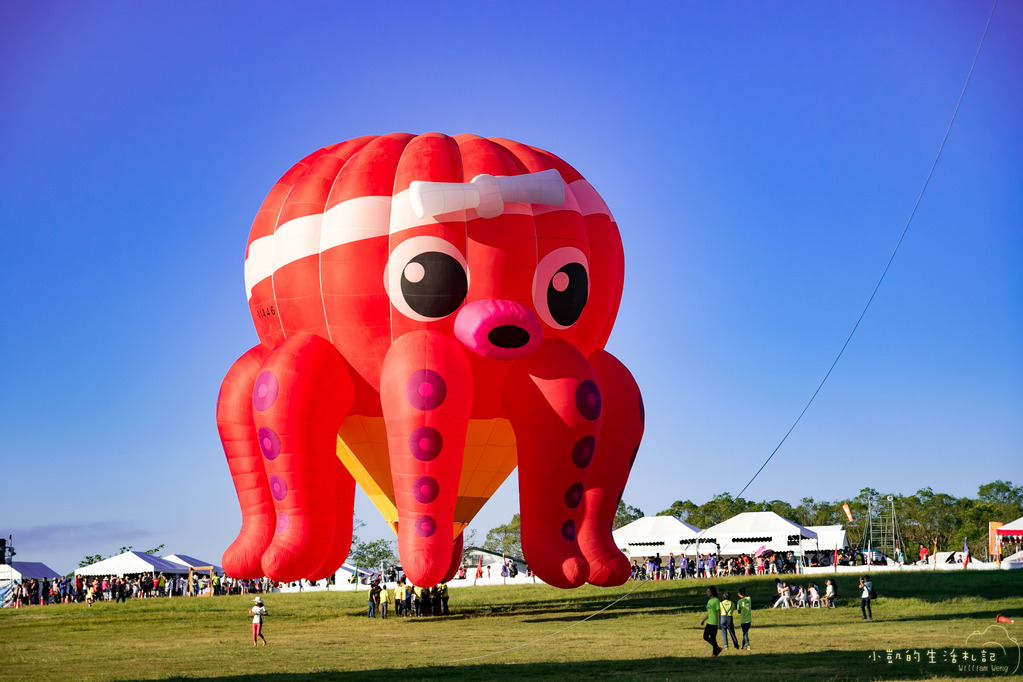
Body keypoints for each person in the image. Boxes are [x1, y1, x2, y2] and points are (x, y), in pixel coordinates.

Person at [699, 586, 723, 657]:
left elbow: (718, 612)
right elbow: (709, 613)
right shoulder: (709, 601)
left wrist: (719, 623)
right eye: (707, 591)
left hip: (714, 623)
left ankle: (714, 653)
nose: (707, 592)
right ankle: (717, 648)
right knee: (705, 637)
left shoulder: (716, 600)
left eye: (708, 591)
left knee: (713, 638)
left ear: (712, 592)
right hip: (709, 622)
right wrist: (703, 620)